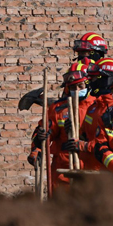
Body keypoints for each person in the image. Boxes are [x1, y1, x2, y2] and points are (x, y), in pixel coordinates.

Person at [28, 60, 97, 189]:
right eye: (72, 87)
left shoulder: (98, 107)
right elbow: (44, 131)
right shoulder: (58, 109)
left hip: (91, 168)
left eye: (80, 86)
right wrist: (38, 144)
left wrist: (81, 134)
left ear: (88, 85)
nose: (76, 90)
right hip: (63, 170)